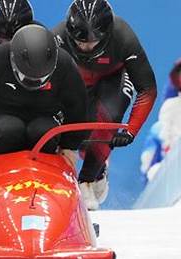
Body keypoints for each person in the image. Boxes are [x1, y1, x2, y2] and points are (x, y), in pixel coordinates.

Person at [53, 0, 157, 210]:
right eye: (81, 42)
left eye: (93, 42)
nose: (87, 47)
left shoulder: (124, 37)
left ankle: (88, 179)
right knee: (60, 119)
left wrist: (131, 130)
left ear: (108, 34)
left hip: (112, 79)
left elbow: (147, 89)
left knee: (109, 114)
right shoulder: (56, 39)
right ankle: (63, 177)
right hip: (75, 81)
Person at [0, 24, 88, 172]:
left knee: (44, 133)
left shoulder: (65, 64)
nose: (34, 83)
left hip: (45, 117)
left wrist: (69, 146)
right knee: (8, 131)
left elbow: (78, 105)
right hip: (3, 117)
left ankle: (46, 173)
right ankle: (2, 171)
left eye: (40, 79)